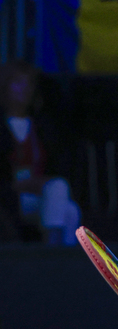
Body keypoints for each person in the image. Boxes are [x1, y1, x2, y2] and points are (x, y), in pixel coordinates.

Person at [0, 60, 80, 245]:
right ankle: (51, 256)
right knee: (66, 206)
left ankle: (55, 258)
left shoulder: (42, 126)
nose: (24, 89)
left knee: (68, 206)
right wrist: (16, 186)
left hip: (36, 194)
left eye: (28, 84)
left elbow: (56, 163)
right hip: (9, 196)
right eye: (17, 83)